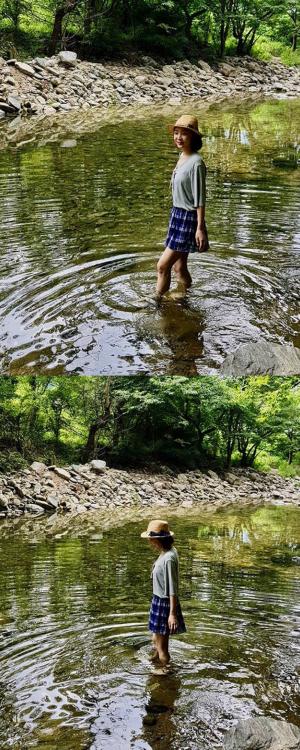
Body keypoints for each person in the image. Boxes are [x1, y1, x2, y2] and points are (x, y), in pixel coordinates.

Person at [156, 114, 209, 298]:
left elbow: (200, 198)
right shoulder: (183, 156)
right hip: (177, 215)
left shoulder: (196, 163)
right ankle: (184, 297)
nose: (178, 137)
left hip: (188, 219)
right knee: (179, 266)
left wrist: (200, 228)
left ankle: (157, 303)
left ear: (193, 137)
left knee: (162, 266)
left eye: (184, 134)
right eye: (176, 133)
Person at [141, 519, 186, 666]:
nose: (149, 540)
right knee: (155, 640)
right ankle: (156, 659)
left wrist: (172, 614)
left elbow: (173, 588)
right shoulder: (167, 551)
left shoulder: (169, 558)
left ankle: (164, 673)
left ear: (157, 539)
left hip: (164, 603)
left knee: (162, 647)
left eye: (150, 538)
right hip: (158, 600)